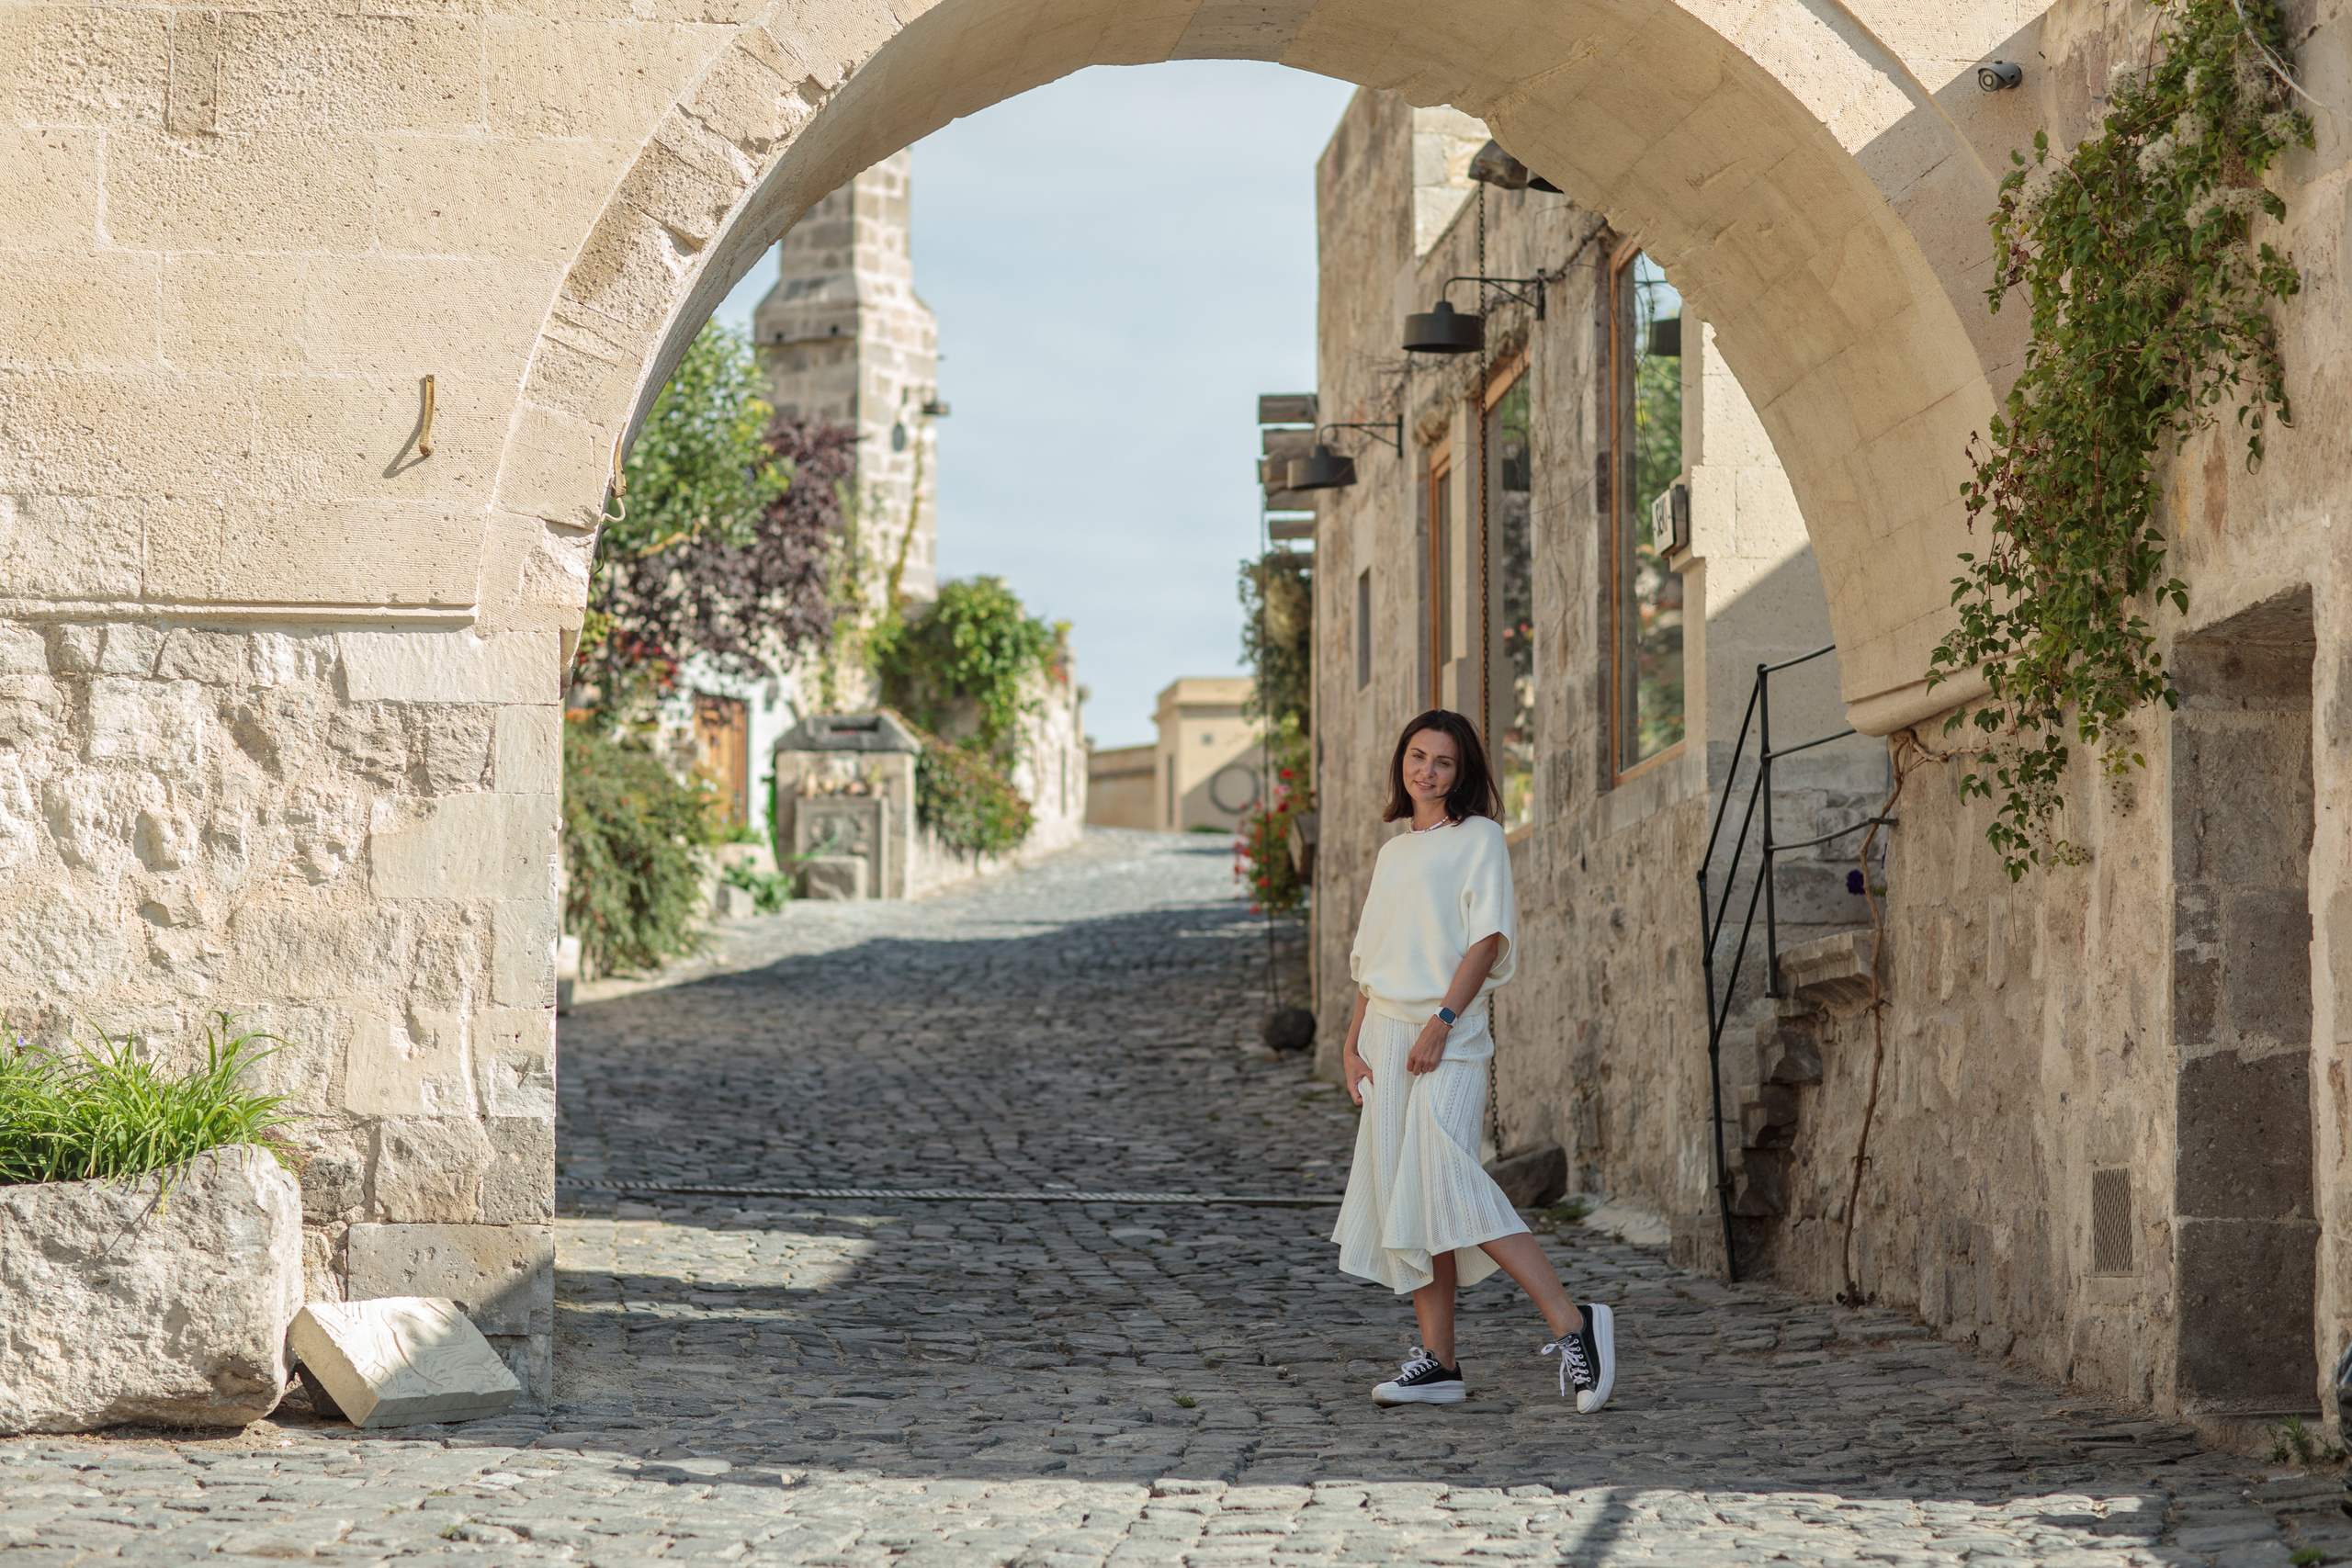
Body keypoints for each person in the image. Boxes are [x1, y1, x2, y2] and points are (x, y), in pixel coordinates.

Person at [1329, 709, 1615, 1413]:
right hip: (1385, 1037)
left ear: (1463, 773)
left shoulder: (1480, 837)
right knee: (1413, 1195)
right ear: (1403, 761)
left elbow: (1485, 940)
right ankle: (1439, 1362)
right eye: (1418, 756)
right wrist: (1350, 1042)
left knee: (1447, 1178)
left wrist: (1443, 1020)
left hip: (1446, 1034)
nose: (1427, 770)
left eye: (1443, 761)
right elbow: (1373, 965)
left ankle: (1576, 1325)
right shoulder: (1393, 853)